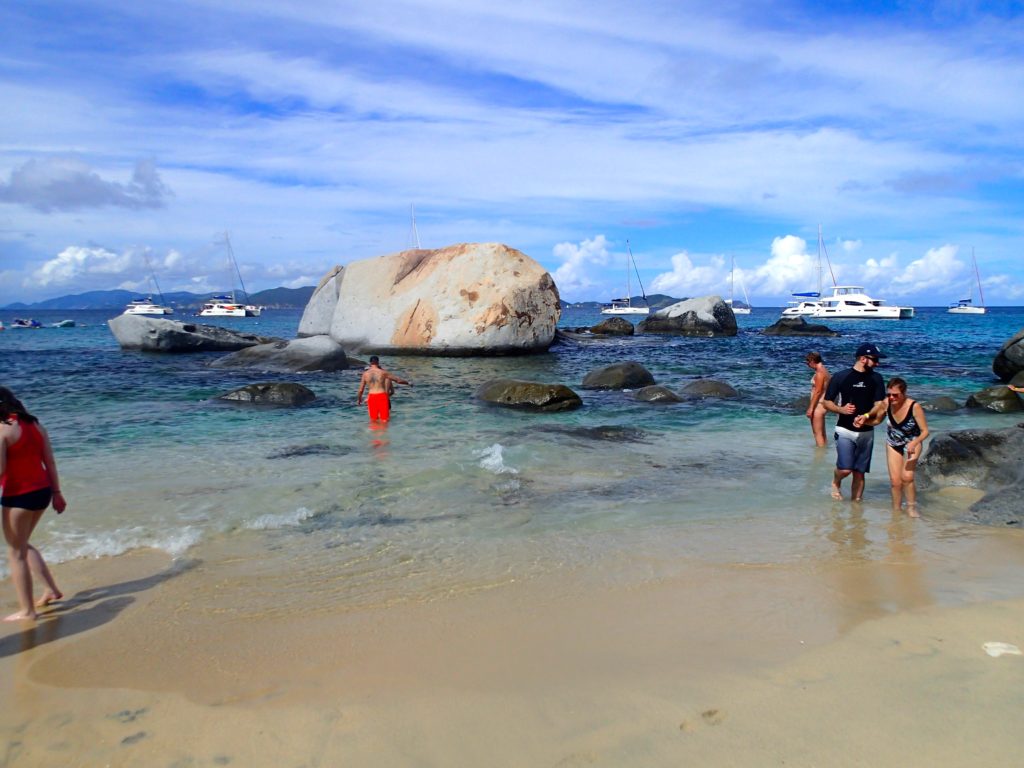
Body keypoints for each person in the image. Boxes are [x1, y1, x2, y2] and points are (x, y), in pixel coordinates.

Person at [0, 387, 65, 621]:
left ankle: (27, 611)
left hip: (18, 497)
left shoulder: (3, 431)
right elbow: (50, 463)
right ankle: (51, 590)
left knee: (15, 551)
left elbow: (1, 470)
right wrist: (57, 493)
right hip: (42, 493)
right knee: (23, 544)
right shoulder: (36, 426)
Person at [821, 343, 887, 501]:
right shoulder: (841, 376)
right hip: (844, 429)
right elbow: (826, 402)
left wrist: (866, 415)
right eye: (874, 360)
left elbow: (879, 404)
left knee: (859, 472)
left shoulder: (876, 378)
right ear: (863, 359)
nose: (877, 363)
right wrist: (841, 409)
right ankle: (836, 481)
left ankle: (856, 508)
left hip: (866, 431)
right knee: (845, 469)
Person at [882, 377, 929, 516]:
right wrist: (864, 418)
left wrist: (914, 442)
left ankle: (911, 507)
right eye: (889, 394)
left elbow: (925, 431)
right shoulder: (887, 403)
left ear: (904, 393)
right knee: (895, 481)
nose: (891, 397)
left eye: (895, 395)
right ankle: (896, 510)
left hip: (912, 442)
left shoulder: (914, 407)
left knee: (907, 477)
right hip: (893, 443)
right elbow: (875, 416)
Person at [357, 356, 412, 422]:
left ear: (370, 363)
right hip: (382, 396)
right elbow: (398, 380)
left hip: (371, 397)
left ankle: (374, 432)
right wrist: (408, 383)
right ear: (378, 362)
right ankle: (384, 432)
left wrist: (359, 400)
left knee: (373, 420)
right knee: (384, 420)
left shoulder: (365, 374)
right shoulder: (383, 372)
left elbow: (360, 390)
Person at [804, 351, 831, 447]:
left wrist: (811, 408)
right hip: (823, 404)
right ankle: (823, 456)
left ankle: (819, 458)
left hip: (818, 406)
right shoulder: (825, 371)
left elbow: (818, 391)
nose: (807, 364)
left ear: (812, 360)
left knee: (818, 435)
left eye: (807, 361)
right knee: (822, 434)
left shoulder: (820, 373)